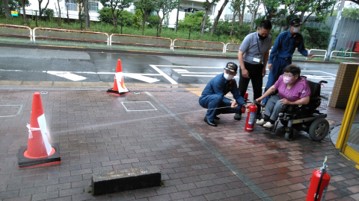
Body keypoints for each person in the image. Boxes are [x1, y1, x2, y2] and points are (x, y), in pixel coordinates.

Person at [263, 18, 313, 104]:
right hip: (277, 61)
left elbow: (301, 49)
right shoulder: (283, 35)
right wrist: (270, 61)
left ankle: (281, 101)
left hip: (287, 62)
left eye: (298, 26)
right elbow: (274, 49)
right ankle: (265, 101)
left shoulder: (299, 37)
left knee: (286, 82)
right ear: (291, 26)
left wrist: (307, 54)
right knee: (271, 82)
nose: (297, 28)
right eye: (295, 26)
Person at [234, 19, 272, 121]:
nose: (264, 35)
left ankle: (257, 112)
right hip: (247, 65)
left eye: (266, 33)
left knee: (258, 91)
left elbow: (266, 53)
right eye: (263, 33)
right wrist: (243, 69)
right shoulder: (250, 38)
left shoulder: (269, 39)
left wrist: (264, 68)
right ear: (258, 29)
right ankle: (238, 110)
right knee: (242, 90)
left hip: (258, 67)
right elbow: (240, 53)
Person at [255, 64, 311, 128]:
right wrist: (261, 98)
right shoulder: (281, 78)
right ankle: (265, 118)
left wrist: (290, 102)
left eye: (289, 75)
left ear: (296, 76)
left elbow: (306, 100)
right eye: (285, 74)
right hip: (281, 96)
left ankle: (271, 121)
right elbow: (273, 88)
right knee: (272, 99)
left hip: (293, 101)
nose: (286, 77)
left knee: (280, 102)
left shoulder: (302, 84)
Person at [199, 62, 245, 127]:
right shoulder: (218, 80)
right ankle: (209, 117)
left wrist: (244, 104)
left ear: (235, 74)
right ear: (224, 70)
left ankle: (214, 113)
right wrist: (231, 102)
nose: (228, 74)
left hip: (217, 99)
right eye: (227, 71)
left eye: (231, 72)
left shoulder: (232, 82)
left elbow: (237, 95)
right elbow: (219, 96)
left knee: (238, 107)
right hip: (205, 99)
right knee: (218, 98)